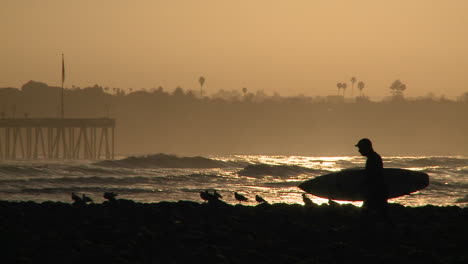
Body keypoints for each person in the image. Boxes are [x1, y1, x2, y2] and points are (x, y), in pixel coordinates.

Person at [355, 138, 388, 219]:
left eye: (360, 148)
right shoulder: (373, 158)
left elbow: (373, 177)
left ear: (366, 147)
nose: (359, 150)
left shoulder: (373, 159)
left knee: (371, 216)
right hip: (377, 193)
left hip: (375, 193)